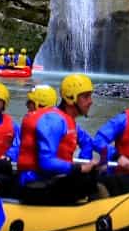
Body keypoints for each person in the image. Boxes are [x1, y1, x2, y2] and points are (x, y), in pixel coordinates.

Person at [16, 73, 102, 205]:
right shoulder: (54, 121)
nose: (90, 101)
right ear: (71, 98)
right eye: (85, 97)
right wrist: (79, 169)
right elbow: (46, 162)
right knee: (87, 180)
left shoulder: (69, 121)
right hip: (34, 183)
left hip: (52, 179)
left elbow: (90, 143)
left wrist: (115, 156)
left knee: (97, 175)